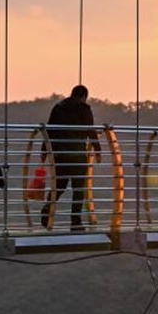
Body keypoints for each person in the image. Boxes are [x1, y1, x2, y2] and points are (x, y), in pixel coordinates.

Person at [43, 84, 101, 231]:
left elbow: (49, 130)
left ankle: (47, 209)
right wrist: (98, 150)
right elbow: (90, 130)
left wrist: (44, 151)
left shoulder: (58, 107)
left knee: (59, 186)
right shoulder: (84, 109)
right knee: (78, 189)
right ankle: (75, 222)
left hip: (59, 155)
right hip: (77, 155)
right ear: (84, 96)